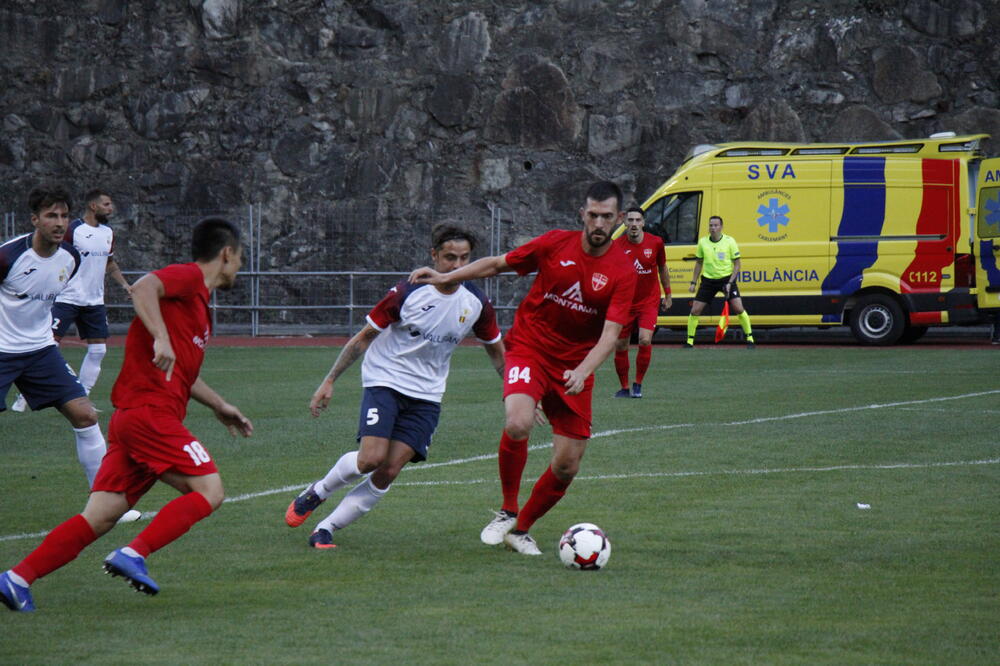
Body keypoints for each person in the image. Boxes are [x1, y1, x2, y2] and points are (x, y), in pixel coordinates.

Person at [0, 217, 253, 612]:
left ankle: (17, 579)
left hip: (133, 420)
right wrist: (162, 336)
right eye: (239, 258)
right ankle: (135, 554)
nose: (240, 267)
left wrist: (220, 405)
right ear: (226, 254)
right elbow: (144, 287)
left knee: (99, 517)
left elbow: (181, 372)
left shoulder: (200, 309)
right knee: (210, 490)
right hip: (150, 415)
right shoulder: (187, 278)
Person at [411, 181, 637, 556]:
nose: (598, 223)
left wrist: (582, 371)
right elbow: (499, 264)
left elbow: (611, 334)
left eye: (606, 216)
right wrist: (446, 277)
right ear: (582, 214)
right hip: (530, 348)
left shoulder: (622, 271)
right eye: (593, 214)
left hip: (574, 367)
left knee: (567, 465)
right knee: (518, 422)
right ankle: (507, 508)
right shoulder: (554, 244)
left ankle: (521, 529)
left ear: (617, 220)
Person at [285, 225, 505, 548]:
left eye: (465, 258)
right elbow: (363, 339)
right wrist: (329, 380)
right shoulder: (408, 292)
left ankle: (326, 529)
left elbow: (499, 355)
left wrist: (518, 391)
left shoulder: (476, 303)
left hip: (428, 395)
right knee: (370, 459)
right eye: (449, 258)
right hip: (385, 380)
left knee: (388, 470)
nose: (458, 266)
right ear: (433, 256)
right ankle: (317, 492)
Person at [0, 183, 107, 488]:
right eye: (51, 215)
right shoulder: (9, 257)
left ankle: (106, 502)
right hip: (2, 350)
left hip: (40, 351)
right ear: (35, 219)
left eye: (64, 215)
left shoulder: (70, 258)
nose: (59, 223)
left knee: (86, 416)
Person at [612, 205, 671, 398]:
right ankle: (624, 387)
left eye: (638, 220)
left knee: (645, 339)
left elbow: (662, 268)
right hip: (625, 303)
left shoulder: (656, 243)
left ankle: (638, 384)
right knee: (621, 345)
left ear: (643, 223)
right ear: (624, 222)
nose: (634, 224)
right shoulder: (616, 246)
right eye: (630, 220)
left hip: (648, 301)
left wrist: (668, 294)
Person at [685, 215, 755, 348]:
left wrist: (729, 283)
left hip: (726, 280)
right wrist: (693, 282)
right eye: (711, 225)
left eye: (716, 225)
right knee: (695, 310)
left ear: (721, 227)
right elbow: (699, 263)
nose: (713, 228)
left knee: (738, 308)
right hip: (708, 281)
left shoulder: (730, 241)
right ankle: (689, 342)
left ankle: (750, 339)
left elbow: (737, 265)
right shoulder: (703, 242)